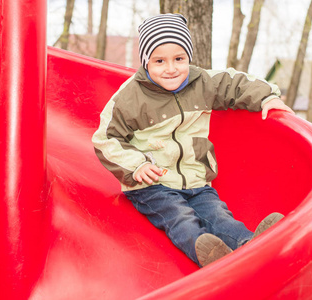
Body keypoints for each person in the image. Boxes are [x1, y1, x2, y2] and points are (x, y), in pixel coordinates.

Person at [92, 13, 294, 267]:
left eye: (179, 58)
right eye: (159, 61)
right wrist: (137, 166)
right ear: (146, 62)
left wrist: (268, 97)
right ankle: (210, 257)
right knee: (180, 218)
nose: (171, 68)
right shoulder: (130, 97)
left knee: (219, 217)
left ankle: (251, 246)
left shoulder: (202, 82)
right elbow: (106, 139)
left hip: (196, 179)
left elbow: (235, 83)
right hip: (153, 184)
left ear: (188, 56)